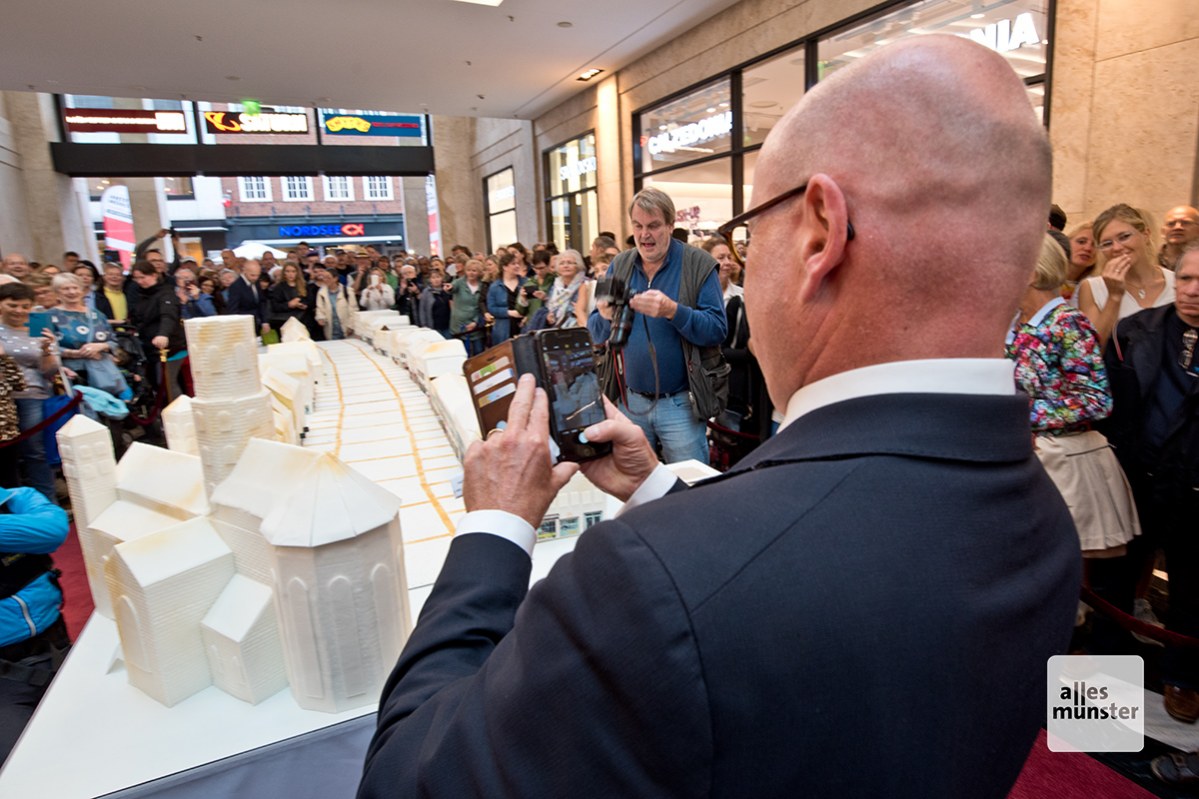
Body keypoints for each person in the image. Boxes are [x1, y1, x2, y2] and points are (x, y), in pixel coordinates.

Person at [359, 35, 1079, 799]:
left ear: (816, 234)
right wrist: (656, 490)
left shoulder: (644, 583)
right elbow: (818, 558)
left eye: (748, 231)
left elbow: (409, 778)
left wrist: (494, 528)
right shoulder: (1047, 519)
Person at [1100, 241, 1199, 725]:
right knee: (1115, 584)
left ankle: (1180, 679)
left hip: (1194, 492)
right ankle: (1101, 689)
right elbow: (1112, 408)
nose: (1193, 292)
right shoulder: (1134, 331)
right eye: (1185, 280)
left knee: (1190, 592)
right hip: (1136, 479)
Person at [590, 186, 728, 464]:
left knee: (689, 488)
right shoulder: (620, 264)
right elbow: (594, 330)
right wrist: (604, 315)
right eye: (638, 226)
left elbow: (717, 329)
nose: (644, 235)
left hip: (680, 406)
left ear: (670, 225)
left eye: (653, 226)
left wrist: (673, 311)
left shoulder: (698, 264)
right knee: (636, 488)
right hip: (629, 404)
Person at [0, 485, 71, 765]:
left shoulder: (17, 497)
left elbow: (52, 529)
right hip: (5, 682)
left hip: (62, 652)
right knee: (21, 769)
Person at [1077, 203, 1175, 345]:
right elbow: (1094, 351)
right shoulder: (1093, 287)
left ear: (1146, 234)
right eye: (1107, 243)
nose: (1117, 247)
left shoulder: (1176, 282)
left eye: (1124, 237)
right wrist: (1114, 296)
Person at [0, 283, 59, 504]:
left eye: (25, 306)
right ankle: (10, 504)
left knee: (35, 451)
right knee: (6, 455)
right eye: (12, 305)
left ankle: (46, 502)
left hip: (33, 394)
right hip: (2, 398)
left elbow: (50, 371)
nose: (19, 311)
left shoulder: (38, 324)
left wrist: (47, 351)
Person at [49, 274, 129, 400]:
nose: (72, 292)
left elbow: (114, 341)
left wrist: (101, 346)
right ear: (56, 292)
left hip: (102, 373)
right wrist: (76, 353)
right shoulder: (41, 316)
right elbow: (37, 347)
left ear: (82, 290)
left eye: (75, 288)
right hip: (71, 376)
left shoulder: (97, 314)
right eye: (66, 288)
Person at [128, 260, 185, 395]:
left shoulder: (166, 294)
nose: (140, 281)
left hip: (170, 347)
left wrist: (163, 334)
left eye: (143, 277)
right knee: (157, 382)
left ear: (154, 275)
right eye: (137, 278)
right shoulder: (141, 295)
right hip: (150, 347)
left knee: (168, 383)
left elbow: (168, 316)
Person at [223, 259, 271, 340]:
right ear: (244, 271)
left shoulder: (256, 282)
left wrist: (264, 321)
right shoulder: (236, 286)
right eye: (252, 275)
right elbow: (233, 310)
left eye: (257, 275)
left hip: (256, 324)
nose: (255, 278)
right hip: (243, 326)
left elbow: (261, 302)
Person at [448, 259, 489, 355]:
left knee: (479, 353)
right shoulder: (458, 282)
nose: (471, 273)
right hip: (459, 327)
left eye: (474, 271)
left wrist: (476, 322)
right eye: (469, 270)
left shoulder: (483, 286)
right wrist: (449, 288)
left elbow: (483, 305)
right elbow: (452, 287)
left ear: (479, 272)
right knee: (461, 354)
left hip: (476, 326)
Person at [542, 248, 585, 328]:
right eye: (562, 263)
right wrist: (549, 316)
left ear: (578, 265)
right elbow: (549, 306)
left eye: (570, 263)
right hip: (555, 330)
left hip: (577, 328)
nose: (566, 266)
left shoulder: (585, 284)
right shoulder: (554, 286)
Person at [486, 254, 524, 344]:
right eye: (513, 264)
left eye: (518, 263)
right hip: (503, 328)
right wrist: (509, 312)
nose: (517, 266)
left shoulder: (525, 282)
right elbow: (491, 308)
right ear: (505, 267)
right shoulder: (495, 286)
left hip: (523, 326)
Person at [313, 267, 353, 341]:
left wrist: (351, 326)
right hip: (331, 329)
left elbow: (353, 310)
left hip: (346, 328)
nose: (325, 280)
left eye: (328, 278)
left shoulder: (347, 291)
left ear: (335, 278)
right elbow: (320, 308)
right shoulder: (321, 293)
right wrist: (320, 318)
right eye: (324, 278)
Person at [1160, 205, 1199, 270]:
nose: (1177, 227)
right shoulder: (1148, 260)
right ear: (1163, 232)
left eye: (1185, 223)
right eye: (1171, 223)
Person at [415, 270, 452, 337]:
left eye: (438, 277)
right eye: (433, 278)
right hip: (433, 326)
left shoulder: (447, 290)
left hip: (447, 326)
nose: (436, 280)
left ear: (442, 278)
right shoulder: (426, 292)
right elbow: (422, 310)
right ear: (430, 280)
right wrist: (424, 325)